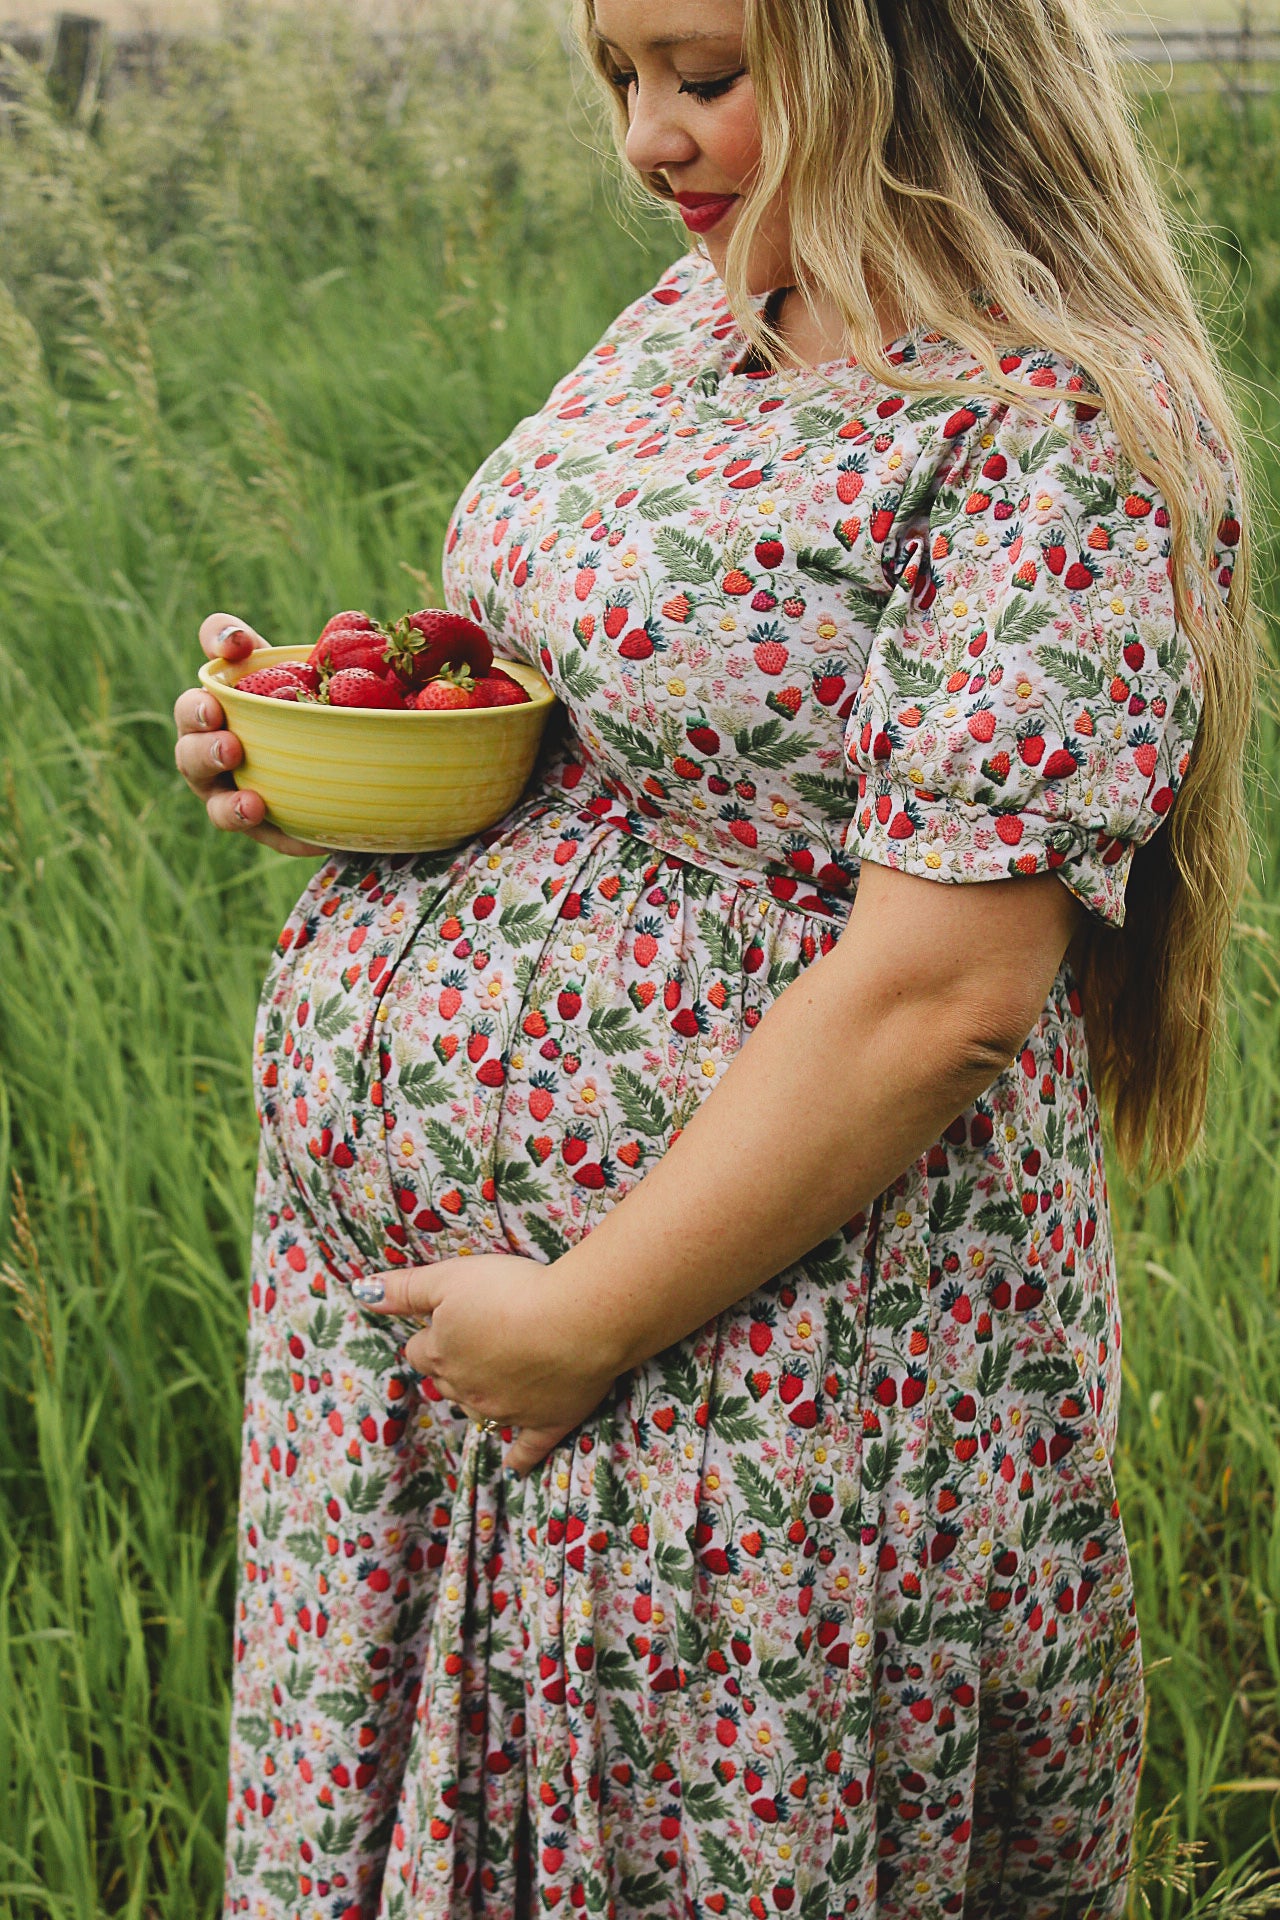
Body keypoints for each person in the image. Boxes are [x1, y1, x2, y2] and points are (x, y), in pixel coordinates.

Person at [174, 0, 1261, 1913]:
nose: (646, 145)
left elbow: (945, 993)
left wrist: (581, 1315)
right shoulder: (716, 305)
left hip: (739, 1370)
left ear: (910, 55)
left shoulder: (1053, 429)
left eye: (703, 77)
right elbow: (626, 688)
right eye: (619, 82)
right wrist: (356, 739)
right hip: (460, 1380)